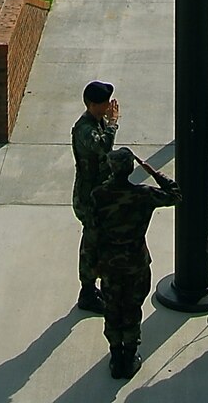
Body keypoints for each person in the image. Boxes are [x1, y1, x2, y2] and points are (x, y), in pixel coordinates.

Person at [91, 145, 181, 380]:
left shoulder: (99, 195)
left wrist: (93, 264)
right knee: (132, 309)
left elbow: (92, 232)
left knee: (112, 308)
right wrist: (153, 171)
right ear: (131, 169)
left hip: (109, 263)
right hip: (136, 263)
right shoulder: (143, 194)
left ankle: (115, 354)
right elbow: (175, 194)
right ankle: (129, 356)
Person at [72, 78, 119, 311]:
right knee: (91, 245)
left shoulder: (97, 122)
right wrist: (112, 124)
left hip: (99, 195)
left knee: (100, 242)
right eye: (104, 103)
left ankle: (93, 287)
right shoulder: (85, 128)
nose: (108, 106)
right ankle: (87, 292)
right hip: (89, 198)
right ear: (92, 104)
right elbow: (103, 147)